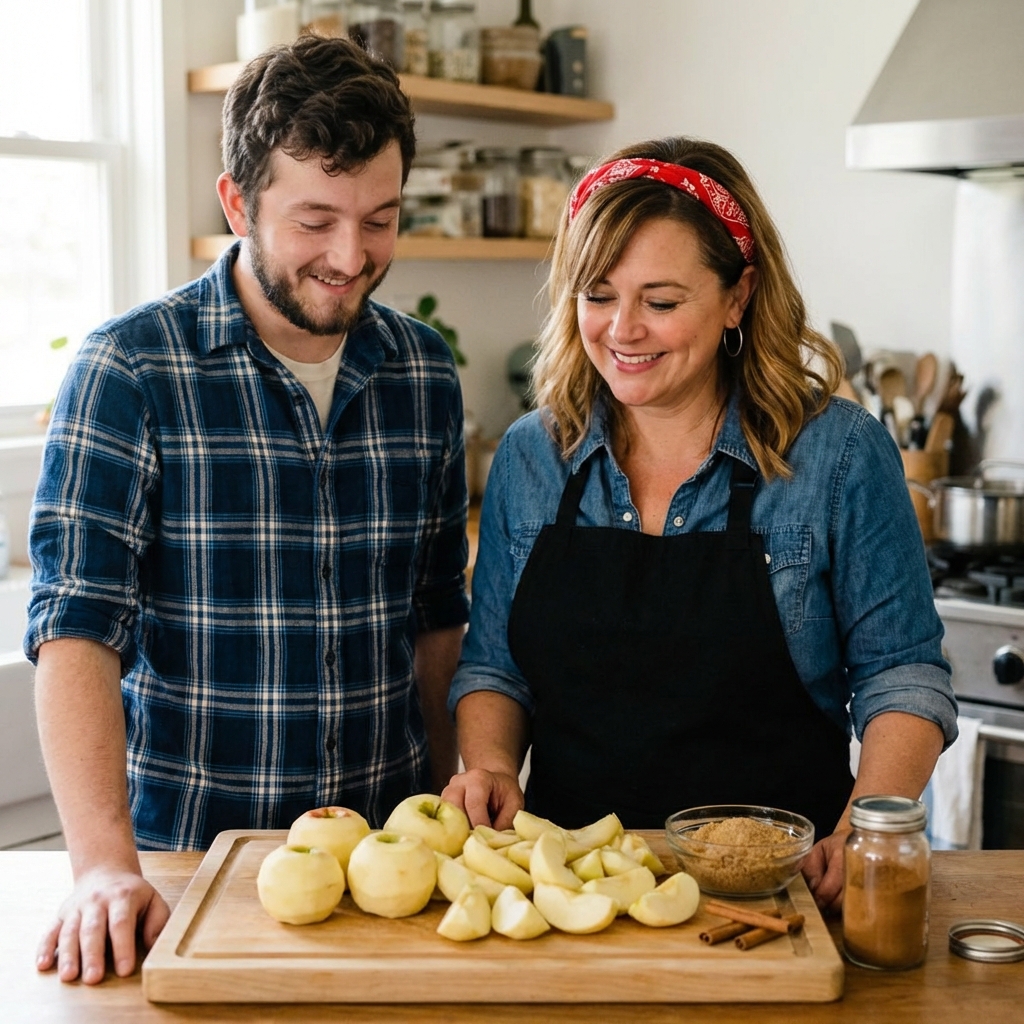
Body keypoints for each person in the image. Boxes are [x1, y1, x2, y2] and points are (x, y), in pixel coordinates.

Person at [27, 36, 469, 985]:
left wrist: (451, 819)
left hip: (389, 872)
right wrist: (104, 866)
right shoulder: (130, 371)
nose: (351, 258)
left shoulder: (424, 372)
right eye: (315, 221)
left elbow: (438, 618)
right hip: (189, 871)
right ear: (237, 202)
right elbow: (75, 632)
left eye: (381, 220)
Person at [442, 137, 956, 913]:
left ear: (738, 297)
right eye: (598, 294)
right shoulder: (532, 455)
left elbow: (903, 677)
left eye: (661, 301)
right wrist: (490, 766)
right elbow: (495, 669)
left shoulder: (838, 455)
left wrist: (867, 830)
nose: (622, 330)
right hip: (570, 896)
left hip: (781, 894)